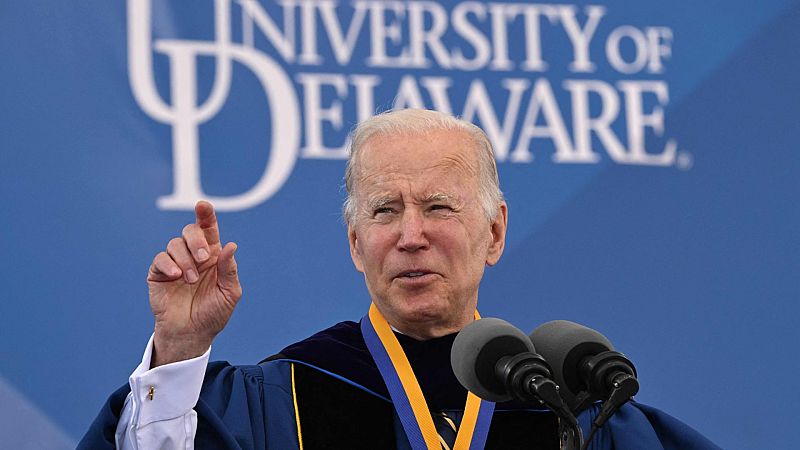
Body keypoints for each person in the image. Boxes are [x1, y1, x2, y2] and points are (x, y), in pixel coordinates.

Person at [79, 109, 719, 450]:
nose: (411, 234)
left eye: (439, 206)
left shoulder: (572, 413)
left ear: (494, 232)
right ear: (356, 245)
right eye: (385, 210)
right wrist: (181, 349)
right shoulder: (282, 400)